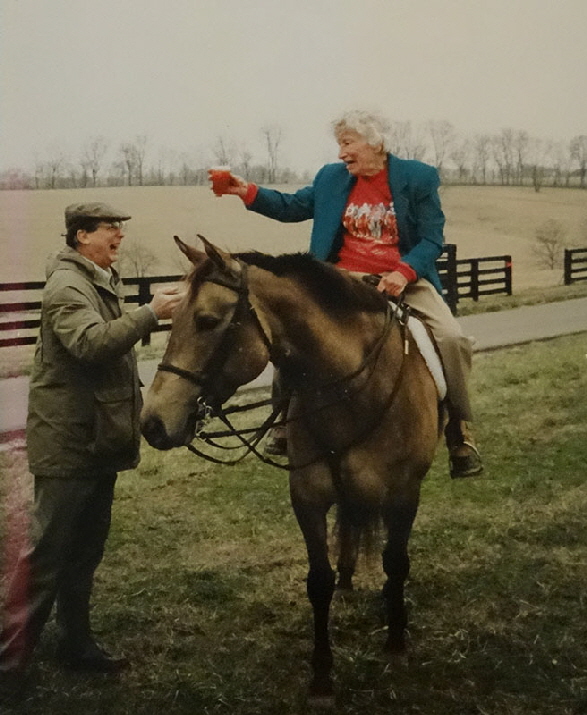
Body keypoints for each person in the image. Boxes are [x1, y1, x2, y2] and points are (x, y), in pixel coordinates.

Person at [208, 110, 483, 479]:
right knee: (291, 329)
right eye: (340, 144)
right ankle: (285, 421)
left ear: (375, 143)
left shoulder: (418, 177)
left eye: (348, 143)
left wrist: (403, 272)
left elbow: (432, 239)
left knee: (451, 338)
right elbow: (293, 207)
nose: (341, 153)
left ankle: (459, 430)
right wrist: (247, 191)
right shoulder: (331, 178)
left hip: (402, 277)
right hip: (339, 278)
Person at [0, 202, 183, 695]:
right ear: (81, 235)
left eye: (120, 228)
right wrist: (150, 313)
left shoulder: (98, 279)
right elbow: (91, 344)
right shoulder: (68, 286)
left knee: (84, 551)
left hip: (96, 438)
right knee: (47, 555)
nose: (119, 236)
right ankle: (8, 664)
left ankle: (75, 644)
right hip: (69, 442)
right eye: (110, 228)